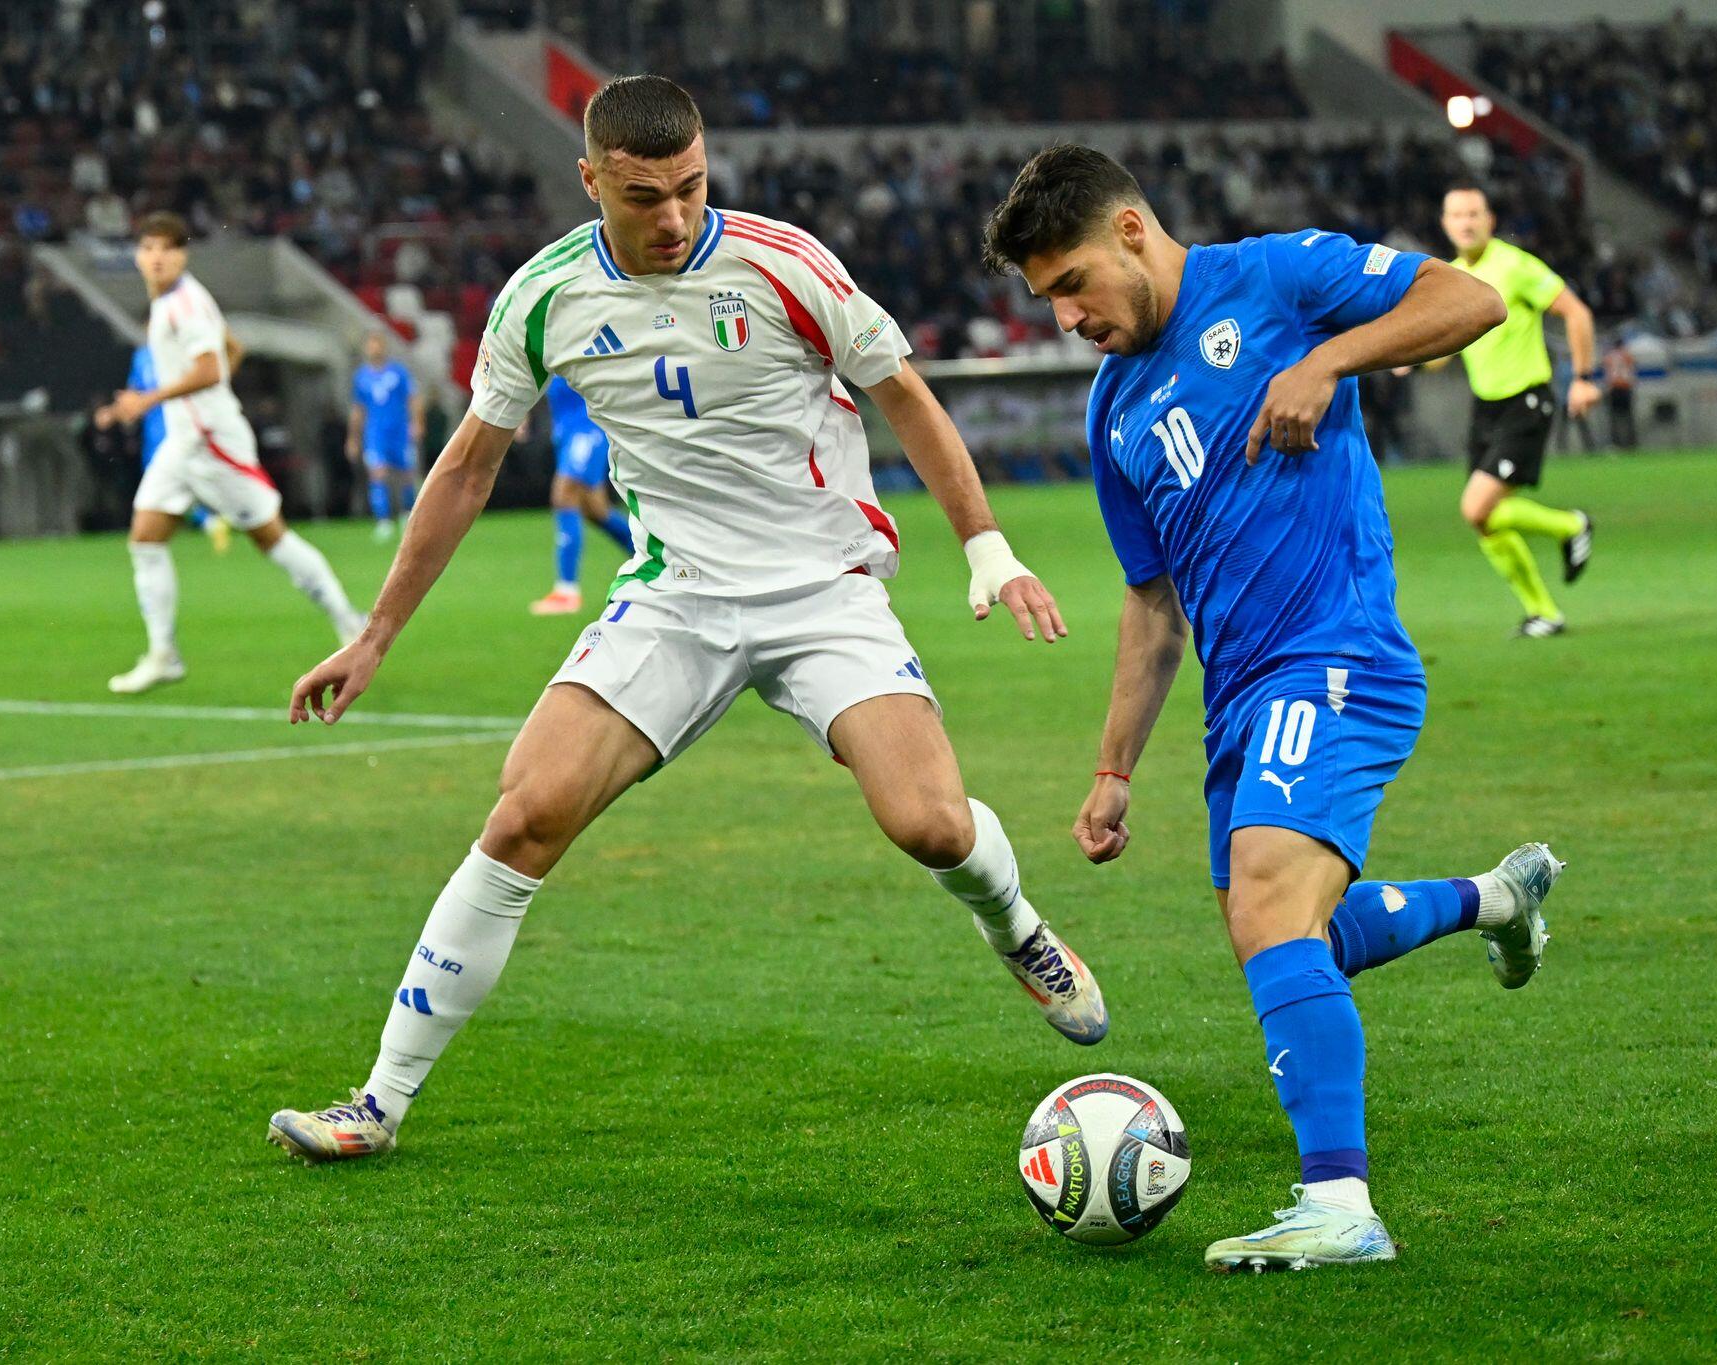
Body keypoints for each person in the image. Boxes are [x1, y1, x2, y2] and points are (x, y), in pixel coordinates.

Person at [268, 76, 1106, 1163]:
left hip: (821, 589)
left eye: (691, 188)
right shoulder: (543, 297)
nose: (672, 217)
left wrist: (988, 548)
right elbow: (468, 467)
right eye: (642, 197)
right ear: (590, 181)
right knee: (524, 815)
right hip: (675, 597)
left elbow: (904, 397)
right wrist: (376, 632)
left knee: (932, 827)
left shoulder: (784, 263)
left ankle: (1017, 929)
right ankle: (378, 1102)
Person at [983, 145, 1566, 1274]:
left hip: (1336, 654)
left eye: (1072, 285)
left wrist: (1326, 360)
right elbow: (1152, 606)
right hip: (1238, 696)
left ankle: (1339, 1204)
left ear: (1133, 230)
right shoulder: (1113, 412)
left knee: (1266, 900)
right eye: (1047, 298)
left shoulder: (1278, 277)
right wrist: (1112, 770)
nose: (1066, 319)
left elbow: (1471, 300)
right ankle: (1495, 898)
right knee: (1288, 934)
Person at [94, 213, 366, 693]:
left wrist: (150, 401)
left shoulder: (184, 306)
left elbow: (211, 369)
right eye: (148, 248)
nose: (156, 257)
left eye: (167, 248)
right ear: (137, 256)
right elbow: (233, 348)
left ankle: (350, 623)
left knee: (271, 539)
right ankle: (163, 655)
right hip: (186, 441)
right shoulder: (177, 301)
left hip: (213, 442)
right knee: (145, 539)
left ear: (182, 256)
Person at [1416, 186, 1598, 638]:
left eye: (1474, 214)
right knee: (1485, 519)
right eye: (1457, 215)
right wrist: (1407, 355)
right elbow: (1441, 354)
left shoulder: (1514, 266)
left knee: (1475, 506)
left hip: (1526, 399)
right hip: (1486, 407)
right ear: (1445, 224)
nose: (1466, 223)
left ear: (1490, 221)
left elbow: (1576, 313)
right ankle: (1544, 613)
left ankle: (1571, 525)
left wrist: (1582, 378)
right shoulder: (1451, 277)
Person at [527, 372, 633, 615]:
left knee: (564, 494)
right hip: (567, 427)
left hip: (587, 426)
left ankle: (566, 591)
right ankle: (653, 556)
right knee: (595, 509)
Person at [128, 342, 230, 552]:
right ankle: (209, 521)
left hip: (179, 427)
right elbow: (134, 393)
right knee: (162, 485)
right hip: (152, 431)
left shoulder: (179, 349)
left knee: (179, 482)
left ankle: (218, 516)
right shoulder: (141, 356)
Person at [346, 330, 426, 541]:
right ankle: (384, 520)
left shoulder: (398, 372)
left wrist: (417, 422)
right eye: (371, 344)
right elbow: (358, 409)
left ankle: (408, 514)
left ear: (384, 346)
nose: (374, 348)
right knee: (377, 473)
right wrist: (353, 438)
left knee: (406, 473)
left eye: (378, 344)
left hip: (399, 431)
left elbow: (413, 398)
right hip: (375, 433)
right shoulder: (361, 377)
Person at [1603, 335, 1638, 449]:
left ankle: (1616, 442)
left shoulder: (1609, 356)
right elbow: (1632, 372)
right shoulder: (1627, 356)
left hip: (1614, 388)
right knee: (1628, 417)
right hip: (1625, 387)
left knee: (1614, 417)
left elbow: (1608, 373)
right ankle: (1631, 442)